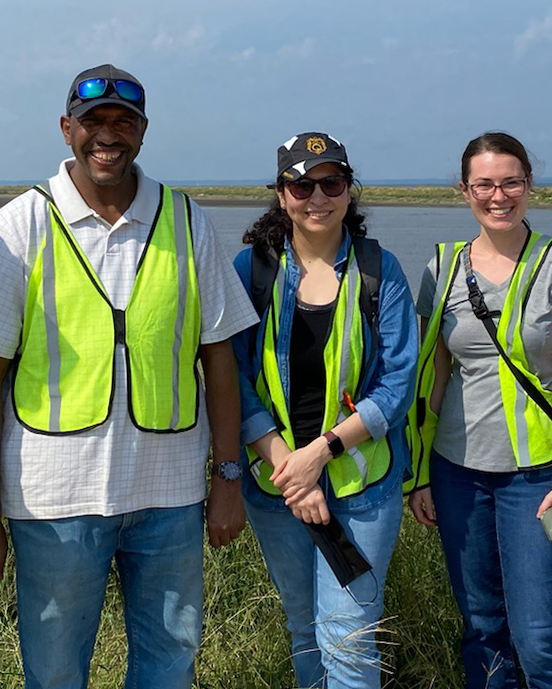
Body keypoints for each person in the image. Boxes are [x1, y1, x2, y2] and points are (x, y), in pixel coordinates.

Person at [0, 64, 258, 689]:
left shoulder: (187, 222)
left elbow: (219, 359)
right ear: (67, 130)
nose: (106, 136)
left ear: (143, 132)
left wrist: (229, 479)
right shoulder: (18, 226)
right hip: (53, 504)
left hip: (169, 501)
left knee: (169, 668)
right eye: (92, 122)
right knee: (56, 675)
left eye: (123, 122)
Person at [406, 132, 552, 689]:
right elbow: (432, 379)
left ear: (529, 185)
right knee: (483, 627)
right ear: (465, 190)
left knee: (539, 635)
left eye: (511, 181)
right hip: (457, 473)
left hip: (538, 476)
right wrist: (419, 476)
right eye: (484, 184)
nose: (498, 195)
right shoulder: (442, 267)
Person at [231, 132, 418, 689]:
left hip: (363, 487)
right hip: (279, 485)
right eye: (302, 184)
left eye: (330, 183)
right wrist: (291, 466)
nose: (317, 197)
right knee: (305, 628)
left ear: (349, 189)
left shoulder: (379, 270)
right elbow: (233, 376)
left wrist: (322, 452)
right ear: (281, 194)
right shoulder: (253, 270)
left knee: (350, 636)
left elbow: (398, 381)